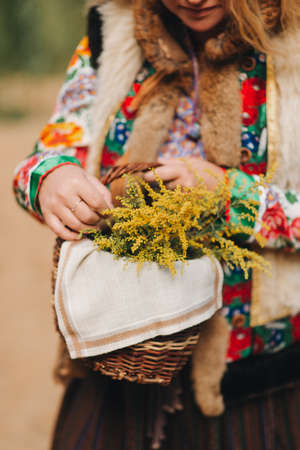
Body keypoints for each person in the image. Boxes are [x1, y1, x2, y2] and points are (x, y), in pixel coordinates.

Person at [13, 0, 300, 448]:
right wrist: (50, 179)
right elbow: (46, 154)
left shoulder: (294, 47)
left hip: (254, 384)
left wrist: (229, 196)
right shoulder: (111, 32)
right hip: (115, 357)